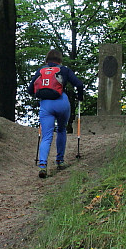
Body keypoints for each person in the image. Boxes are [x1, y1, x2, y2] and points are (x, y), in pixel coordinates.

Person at [29, 49, 85, 179]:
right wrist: (80, 96)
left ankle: (43, 165)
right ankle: (60, 161)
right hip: (62, 102)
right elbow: (79, 84)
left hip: (46, 105)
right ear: (60, 59)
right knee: (61, 130)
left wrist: (42, 95)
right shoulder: (64, 70)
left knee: (46, 136)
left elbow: (30, 89)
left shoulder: (40, 71)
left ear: (47, 59)